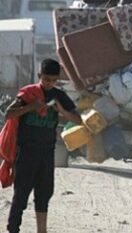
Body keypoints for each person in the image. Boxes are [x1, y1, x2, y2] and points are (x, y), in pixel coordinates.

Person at [4, 59, 83, 233]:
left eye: (53, 80)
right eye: (46, 79)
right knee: (21, 195)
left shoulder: (59, 96)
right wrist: (32, 106)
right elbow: (9, 114)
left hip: (47, 153)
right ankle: (13, 229)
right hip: (25, 152)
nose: (49, 84)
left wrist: (61, 111)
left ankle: (42, 230)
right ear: (39, 76)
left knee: (44, 194)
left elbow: (78, 120)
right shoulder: (28, 94)